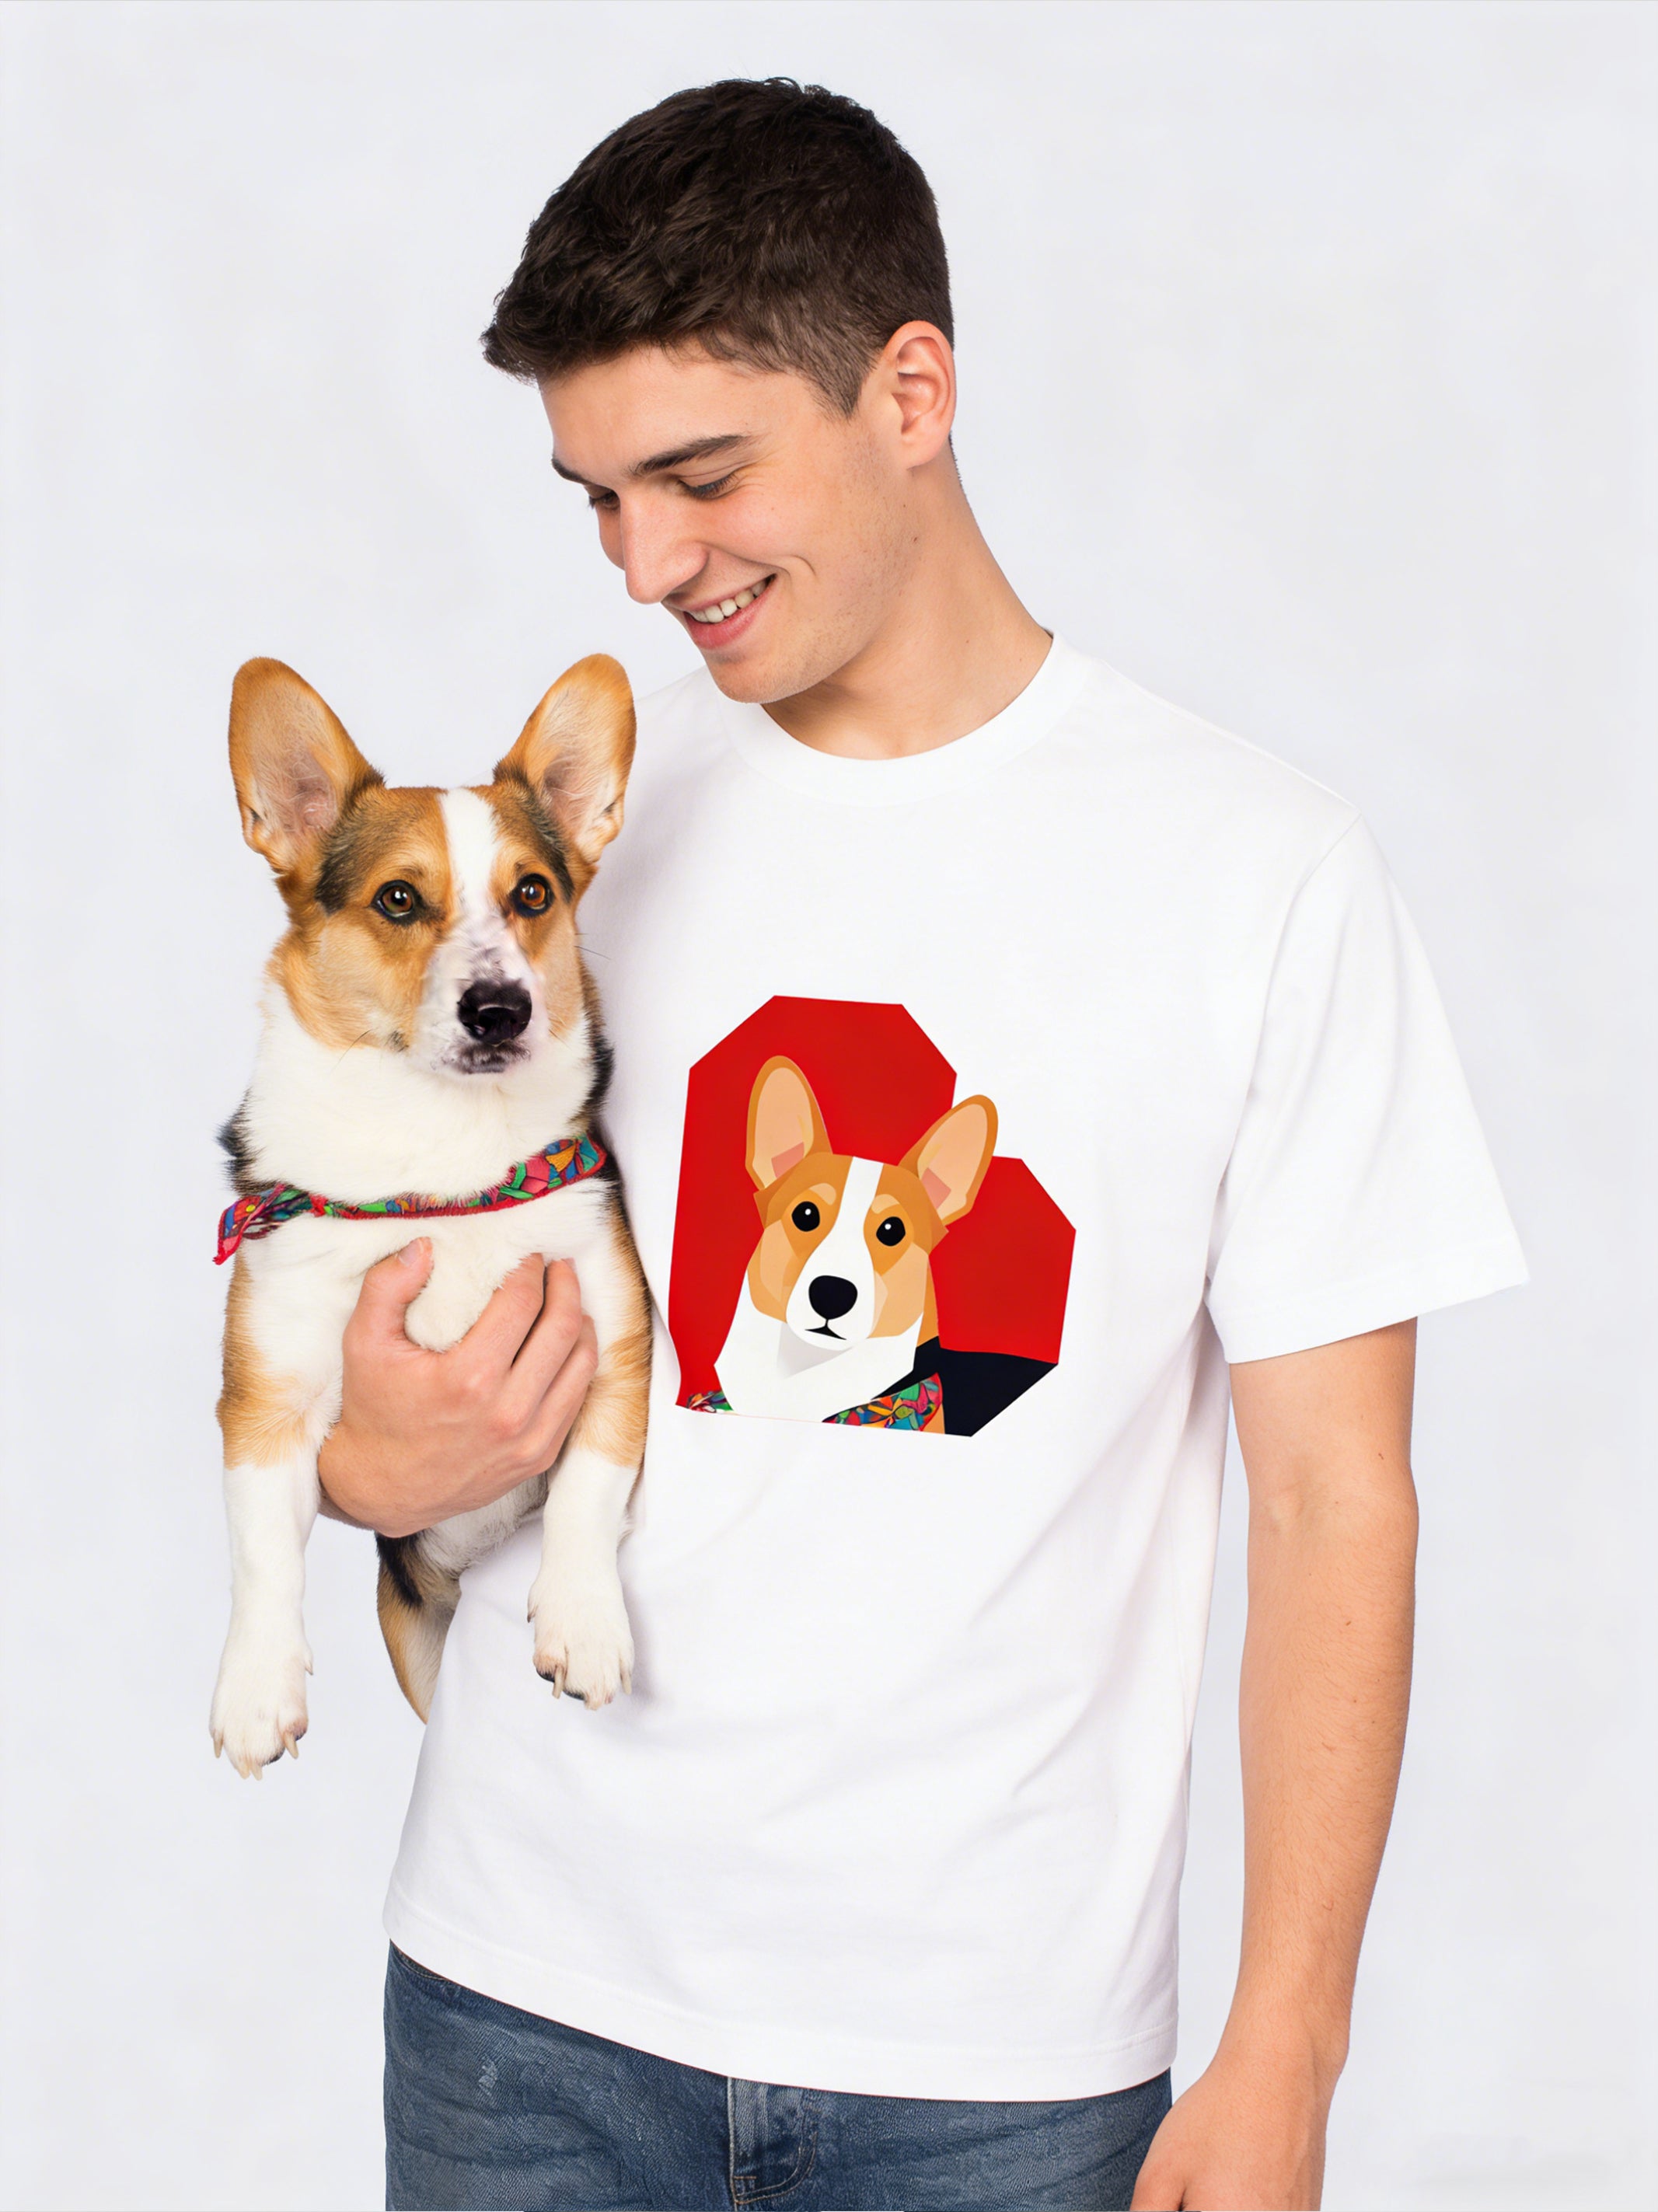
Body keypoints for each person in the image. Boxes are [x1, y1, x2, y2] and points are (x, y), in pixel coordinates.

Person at [316, 79, 1526, 2212]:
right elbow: (393, 1304)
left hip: (998, 2073)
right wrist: (365, 1473)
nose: (647, 565)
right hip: (526, 2008)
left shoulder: (1258, 875)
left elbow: (1338, 1499)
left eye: (702, 478)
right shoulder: (572, 860)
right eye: (600, 498)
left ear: (912, 392)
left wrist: (1289, 2046)